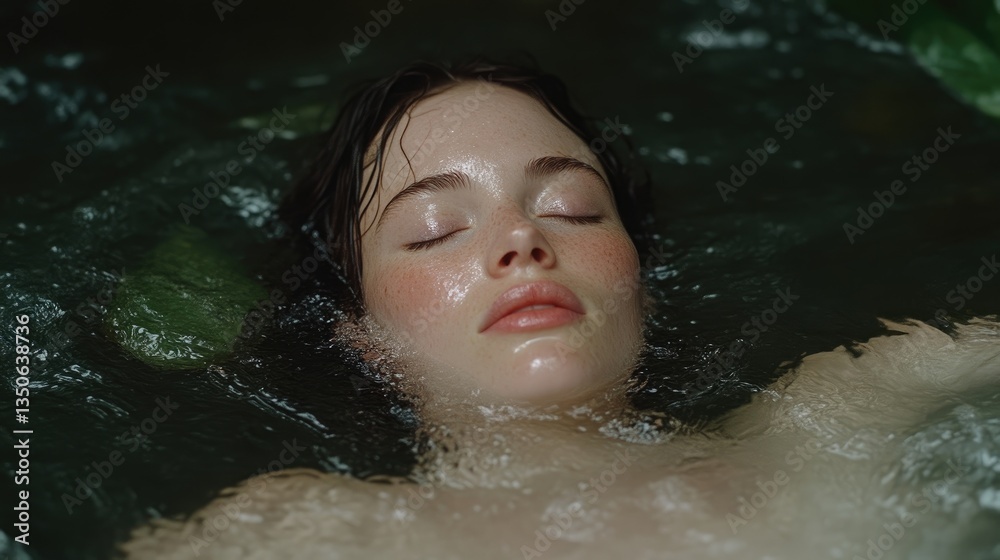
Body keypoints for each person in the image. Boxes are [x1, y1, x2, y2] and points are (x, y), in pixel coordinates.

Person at [123, 57, 1000, 560]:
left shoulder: (852, 415)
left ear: (640, 286)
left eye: (574, 210)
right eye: (435, 230)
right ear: (360, 337)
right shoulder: (302, 537)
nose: (521, 242)